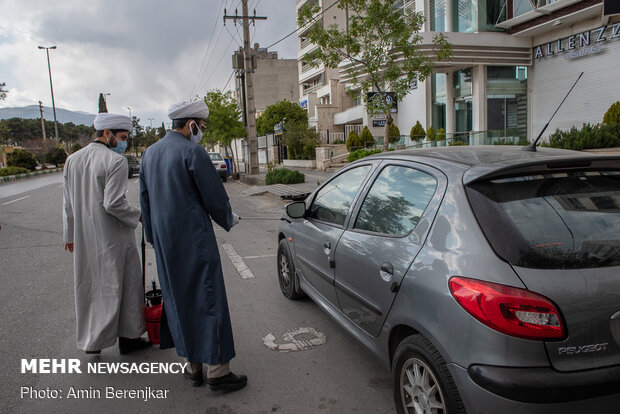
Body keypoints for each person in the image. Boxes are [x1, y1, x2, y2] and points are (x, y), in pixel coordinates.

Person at [139, 100, 246, 392]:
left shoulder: (149, 154)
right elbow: (213, 195)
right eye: (202, 126)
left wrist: (153, 237)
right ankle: (218, 372)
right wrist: (228, 217)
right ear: (192, 125)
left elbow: (145, 201)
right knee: (208, 300)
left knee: (179, 301)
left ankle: (193, 367)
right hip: (195, 241)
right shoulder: (192, 152)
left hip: (165, 244)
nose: (201, 132)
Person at [63, 113, 151, 355]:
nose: (123, 143)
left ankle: (93, 342)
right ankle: (130, 338)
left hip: (84, 235)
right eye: (121, 137)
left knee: (89, 286)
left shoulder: (72, 160)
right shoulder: (116, 161)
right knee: (127, 285)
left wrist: (69, 235)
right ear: (107, 133)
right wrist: (139, 216)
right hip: (113, 235)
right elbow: (113, 204)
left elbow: (68, 202)